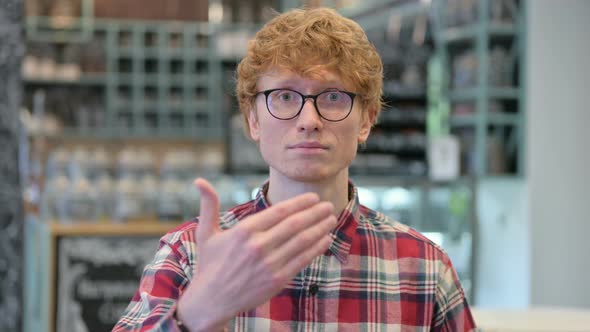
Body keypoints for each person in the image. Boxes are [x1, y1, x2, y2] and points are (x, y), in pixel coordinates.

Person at [113, 7, 476, 332]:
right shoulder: (190, 254)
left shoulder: (424, 269)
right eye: (285, 96)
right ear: (253, 119)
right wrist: (195, 314)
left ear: (366, 120)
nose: (309, 120)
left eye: (333, 96)